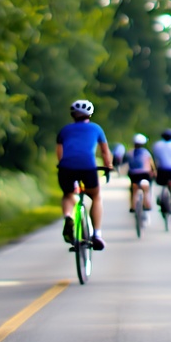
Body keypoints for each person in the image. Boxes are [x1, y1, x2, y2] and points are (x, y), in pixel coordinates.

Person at [56, 99, 113, 250]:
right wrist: (108, 166)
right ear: (90, 114)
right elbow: (105, 151)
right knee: (95, 196)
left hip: (66, 167)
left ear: (72, 115)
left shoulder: (64, 130)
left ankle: (68, 216)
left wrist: (63, 165)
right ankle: (97, 234)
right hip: (88, 166)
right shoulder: (96, 128)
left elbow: (60, 154)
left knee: (68, 195)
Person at [125, 133, 157, 214]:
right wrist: (154, 171)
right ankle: (147, 204)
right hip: (145, 173)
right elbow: (151, 163)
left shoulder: (130, 153)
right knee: (146, 189)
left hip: (133, 174)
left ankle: (133, 206)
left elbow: (126, 163)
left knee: (134, 189)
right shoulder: (146, 152)